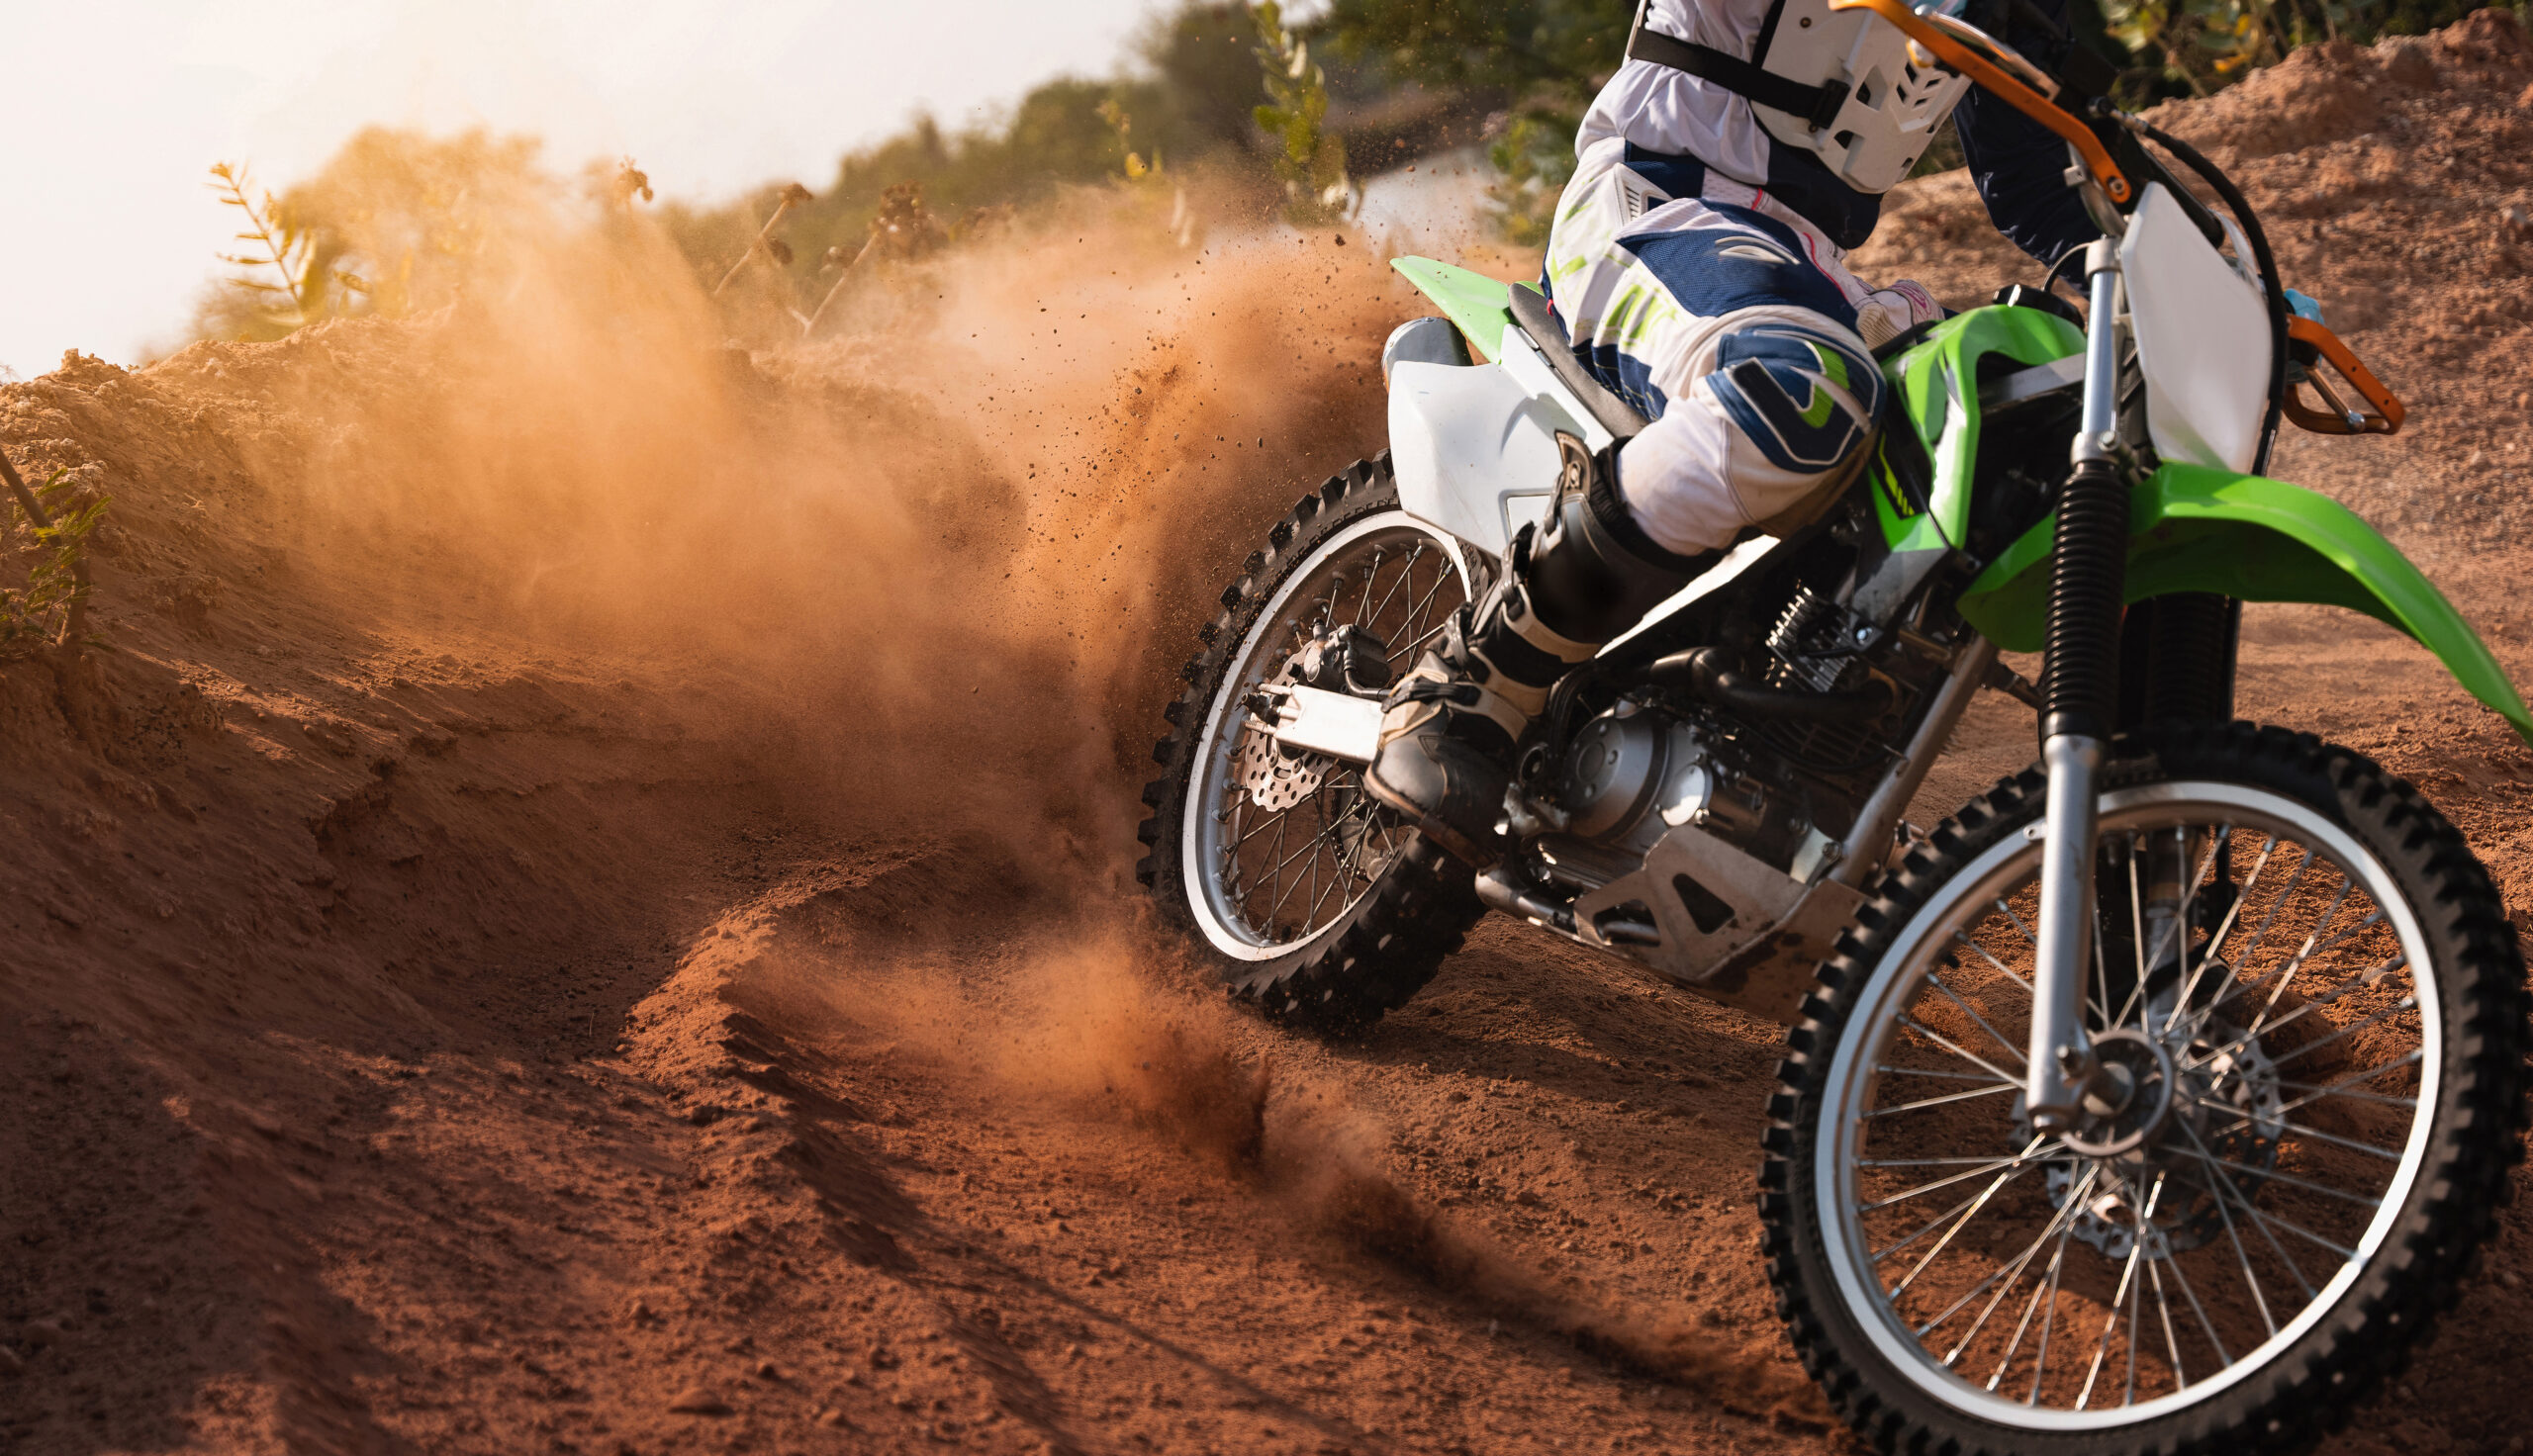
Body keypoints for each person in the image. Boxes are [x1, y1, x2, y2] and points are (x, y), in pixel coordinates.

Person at [1363, 0, 2108, 864]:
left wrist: (2212, 283)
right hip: (1658, 207)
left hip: (1806, 272)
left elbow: (2036, 181)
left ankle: (2125, 913)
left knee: (2024, 437)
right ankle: (1475, 678)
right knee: (1804, 395)